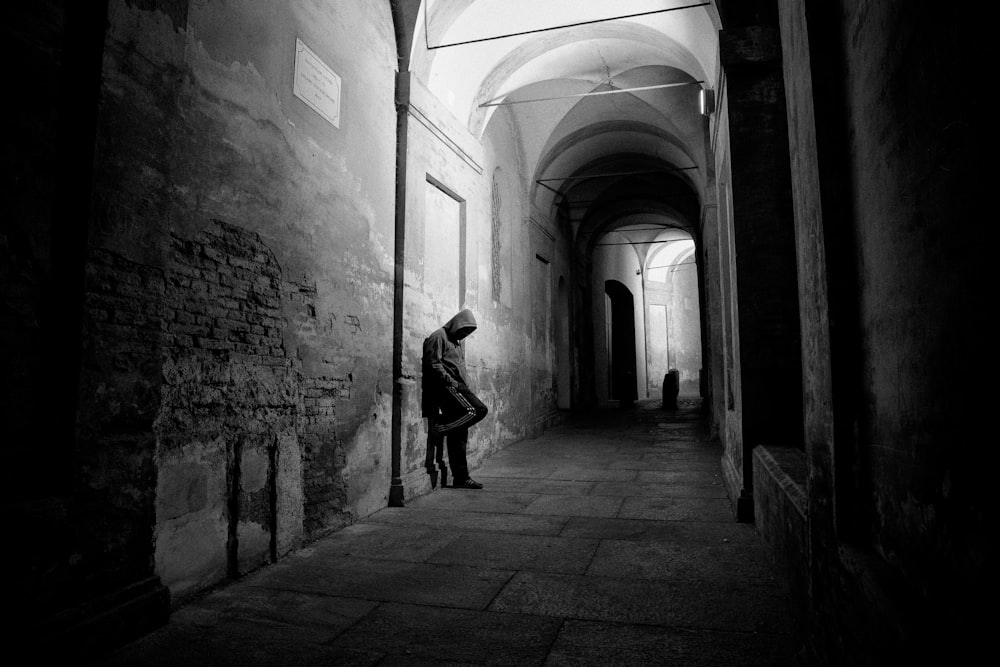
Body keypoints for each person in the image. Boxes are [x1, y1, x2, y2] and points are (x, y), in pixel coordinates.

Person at [422, 308, 489, 490]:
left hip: (459, 388)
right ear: (456, 323)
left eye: (468, 332)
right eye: (464, 330)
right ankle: (442, 427)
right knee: (478, 410)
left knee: (459, 435)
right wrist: (451, 381)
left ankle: (461, 477)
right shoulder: (439, 336)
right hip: (449, 388)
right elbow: (433, 363)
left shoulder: (456, 342)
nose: (464, 334)